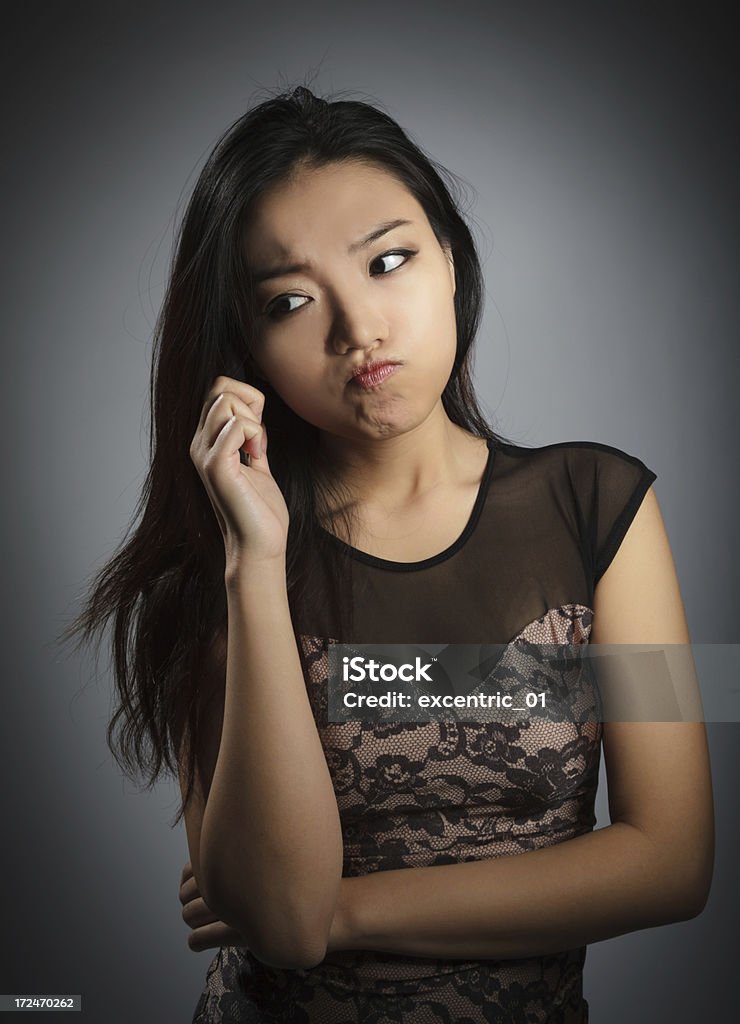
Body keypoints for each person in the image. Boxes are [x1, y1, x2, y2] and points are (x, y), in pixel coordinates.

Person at [64, 84, 714, 1023]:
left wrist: (349, 908)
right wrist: (253, 565)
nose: (357, 330)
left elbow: (672, 859)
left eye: (389, 261)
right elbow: (280, 926)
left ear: (449, 259)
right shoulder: (221, 559)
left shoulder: (601, 506)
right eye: (291, 299)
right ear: (245, 345)